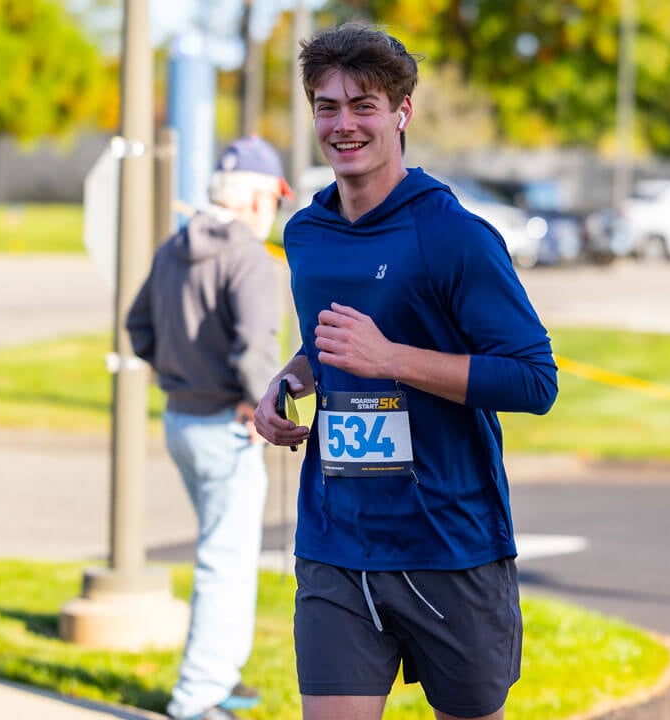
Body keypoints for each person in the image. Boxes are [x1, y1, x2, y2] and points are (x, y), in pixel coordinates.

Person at [252, 23, 559, 720]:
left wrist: (390, 359)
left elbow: (534, 381)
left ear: (401, 113)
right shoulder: (306, 233)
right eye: (326, 106)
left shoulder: (452, 237)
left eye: (363, 104)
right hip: (337, 539)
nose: (343, 123)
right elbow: (330, 347)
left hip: (448, 544)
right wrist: (290, 383)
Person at [126, 135, 293, 720]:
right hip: (228, 424)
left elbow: (138, 325)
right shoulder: (248, 256)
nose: (274, 208)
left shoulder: (176, 245)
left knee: (225, 552)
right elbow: (256, 350)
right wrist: (263, 403)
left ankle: (220, 675)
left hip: (181, 419)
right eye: (273, 196)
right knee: (226, 559)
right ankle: (196, 697)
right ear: (253, 200)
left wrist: (179, 374)